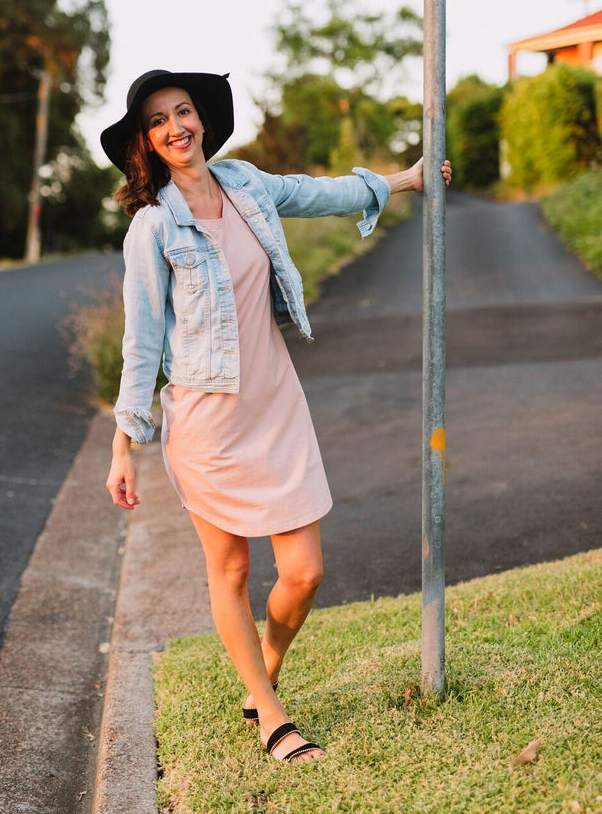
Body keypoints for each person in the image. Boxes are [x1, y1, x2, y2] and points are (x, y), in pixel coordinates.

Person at [101, 69, 452, 764]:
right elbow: (141, 344)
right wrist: (124, 444)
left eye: (185, 112)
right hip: (207, 422)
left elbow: (319, 194)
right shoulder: (152, 228)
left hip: (276, 405)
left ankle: (262, 673)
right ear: (146, 142)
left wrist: (406, 180)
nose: (177, 127)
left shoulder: (247, 185)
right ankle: (272, 716)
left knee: (304, 573)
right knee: (229, 572)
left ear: (201, 120)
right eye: (160, 121)